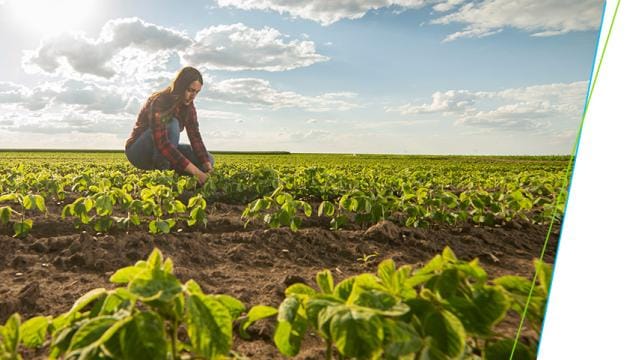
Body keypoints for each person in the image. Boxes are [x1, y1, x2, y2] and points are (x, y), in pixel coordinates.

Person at [125, 66, 213, 185]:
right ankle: (163, 176)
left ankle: (171, 170)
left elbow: (195, 136)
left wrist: (206, 166)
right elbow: (162, 143)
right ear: (180, 86)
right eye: (190, 90)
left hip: (162, 151)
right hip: (139, 152)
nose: (193, 96)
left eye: (197, 92)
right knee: (172, 123)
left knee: (208, 159)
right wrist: (197, 173)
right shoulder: (160, 101)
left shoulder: (189, 107)